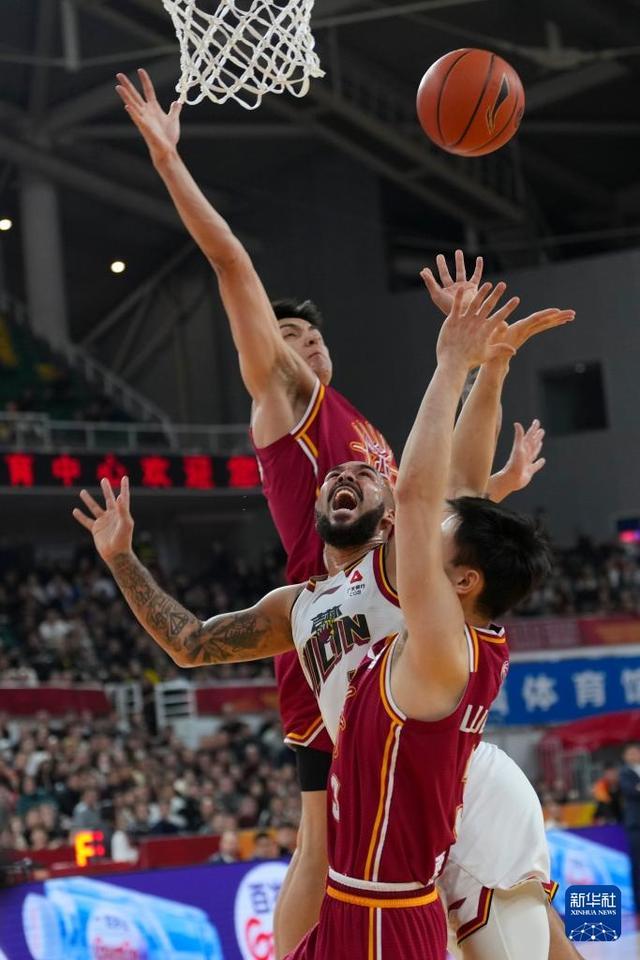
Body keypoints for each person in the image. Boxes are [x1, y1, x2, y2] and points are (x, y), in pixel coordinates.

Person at [113, 67, 560, 957]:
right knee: (336, 851)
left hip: (443, 747)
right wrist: (168, 161)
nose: (302, 341)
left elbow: (450, 492)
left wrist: (486, 382)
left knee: (513, 917)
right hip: (334, 639)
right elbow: (233, 266)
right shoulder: (291, 410)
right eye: (286, 334)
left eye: (312, 334)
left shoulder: (370, 453)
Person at [74, 284, 577, 959]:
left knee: (524, 941)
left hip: (459, 791)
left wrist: (484, 369)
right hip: (393, 808)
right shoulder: (300, 605)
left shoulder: (403, 569)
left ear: (392, 515)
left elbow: (450, 482)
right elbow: (190, 644)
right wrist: (121, 558)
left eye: (366, 477)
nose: (345, 475)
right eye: (335, 474)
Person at [619, 743, 640, 914]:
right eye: (630, 753)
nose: (633, 755)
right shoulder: (624, 773)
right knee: (637, 863)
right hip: (636, 824)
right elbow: (631, 791)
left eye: (636, 752)